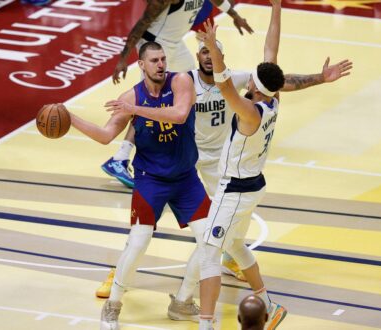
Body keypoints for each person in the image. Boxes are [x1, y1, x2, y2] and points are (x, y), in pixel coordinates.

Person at [96, 35, 353, 308]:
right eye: (204, 51)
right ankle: (126, 274)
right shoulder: (185, 82)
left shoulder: (232, 82)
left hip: (220, 164)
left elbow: (278, 78)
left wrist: (319, 78)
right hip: (188, 158)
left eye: (213, 53)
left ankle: (201, 294)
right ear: (197, 56)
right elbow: (148, 113)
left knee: (217, 235)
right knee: (149, 231)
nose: (208, 56)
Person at [69, 41, 211, 330]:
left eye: (163, 59)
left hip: (185, 178)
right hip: (150, 180)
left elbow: (180, 114)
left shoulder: (181, 81)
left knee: (211, 242)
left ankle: (182, 302)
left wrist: (136, 109)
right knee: (138, 244)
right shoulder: (131, 96)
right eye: (154, 60)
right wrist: (70, 118)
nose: (161, 64)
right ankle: (113, 306)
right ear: (142, 65)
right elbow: (106, 135)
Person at [195, 0, 290, 328]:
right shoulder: (273, 98)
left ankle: (206, 324)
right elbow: (271, 48)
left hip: (234, 191)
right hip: (252, 186)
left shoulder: (250, 112)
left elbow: (222, 84)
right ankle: (268, 304)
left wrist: (211, 48)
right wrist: (277, 8)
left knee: (209, 252)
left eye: (251, 80)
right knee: (234, 244)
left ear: (254, 87)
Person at [101, 0, 253, 188]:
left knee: (191, 84)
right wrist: (123, 59)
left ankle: (184, 136)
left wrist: (236, 16)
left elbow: (218, 1)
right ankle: (120, 158)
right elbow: (141, 23)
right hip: (155, 45)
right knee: (151, 102)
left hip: (174, 45)